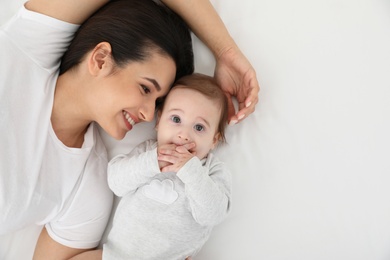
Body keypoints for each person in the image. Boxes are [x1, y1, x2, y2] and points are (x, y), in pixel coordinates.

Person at [0, 0, 259, 258]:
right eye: (145, 88)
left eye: (158, 103)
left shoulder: (87, 187)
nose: (148, 115)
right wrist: (224, 50)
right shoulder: (28, 47)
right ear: (101, 59)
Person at [74, 73, 231, 260]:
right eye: (176, 119)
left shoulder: (211, 170)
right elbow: (116, 182)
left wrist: (190, 170)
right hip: (116, 254)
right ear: (159, 121)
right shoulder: (148, 152)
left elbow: (213, 215)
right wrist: (151, 162)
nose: (183, 134)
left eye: (199, 128)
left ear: (214, 139)